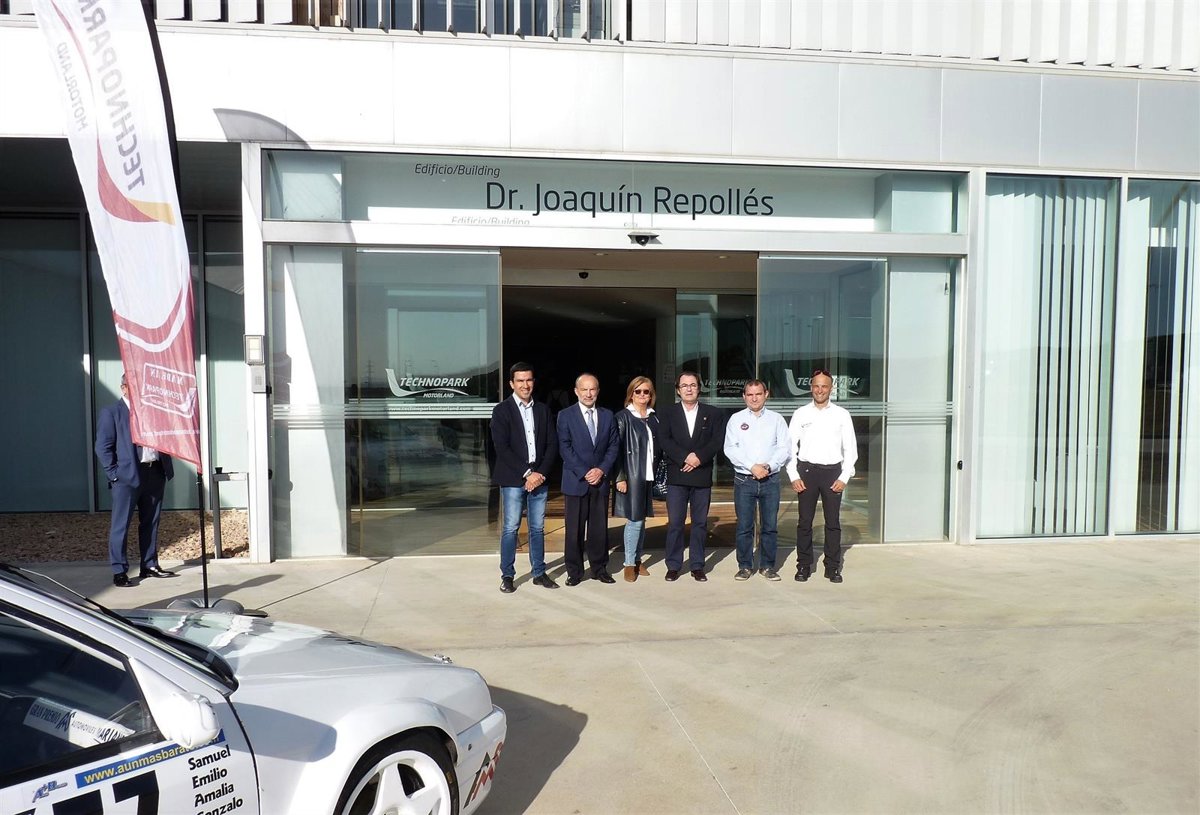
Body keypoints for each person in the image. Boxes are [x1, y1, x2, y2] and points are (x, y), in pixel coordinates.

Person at [94, 373, 177, 587]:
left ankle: (149, 564)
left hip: (154, 471)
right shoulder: (112, 412)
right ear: (123, 388)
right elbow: (103, 447)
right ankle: (119, 571)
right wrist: (114, 474)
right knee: (121, 524)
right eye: (133, 386)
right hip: (127, 476)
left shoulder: (154, 410)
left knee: (151, 522)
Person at [490, 362, 559, 594]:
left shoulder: (543, 410)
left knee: (537, 528)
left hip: (539, 478)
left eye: (528, 380)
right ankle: (507, 576)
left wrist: (540, 473)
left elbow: (552, 444)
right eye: (520, 381)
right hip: (513, 479)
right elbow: (502, 447)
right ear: (512, 383)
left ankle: (539, 572)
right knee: (511, 528)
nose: (525, 385)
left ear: (533, 382)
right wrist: (527, 473)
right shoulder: (502, 411)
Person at [786, 368, 858, 583]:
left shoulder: (842, 414)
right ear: (811, 387)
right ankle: (803, 565)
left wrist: (844, 477)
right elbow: (790, 447)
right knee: (804, 523)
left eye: (824, 386)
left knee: (833, 522)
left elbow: (851, 449)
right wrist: (793, 475)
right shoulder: (801, 413)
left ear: (831, 388)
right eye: (816, 386)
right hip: (807, 472)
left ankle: (832, 567)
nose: (820, 390)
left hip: (832, 473)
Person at [657, 371, 725, 582]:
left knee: (700, 524)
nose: (689, 389)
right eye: (684, 385)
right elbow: (664, 440)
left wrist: (699, 458)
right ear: (678, 390)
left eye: (693, 385)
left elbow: (717, 440)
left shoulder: (712, 413)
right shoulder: (667, 412)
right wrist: (685, 457)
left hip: (701, 474)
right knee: (675, 523)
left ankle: (697, 565)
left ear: (699, 388)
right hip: (677, 475)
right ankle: (673, 565)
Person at [723, 379, 791, 581]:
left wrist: (768, 466)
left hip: (770, 479)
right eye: (750, 395)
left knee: (769, 526)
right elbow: (730, 448)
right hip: (744, 480)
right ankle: (745, 566)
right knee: (744, 526)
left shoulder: (777, 419)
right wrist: (752, 466)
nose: (754, 398)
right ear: (744, 396)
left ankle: (767, 566)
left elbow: (784, 448)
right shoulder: (735, 419)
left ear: (766, 394)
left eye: (758, 394)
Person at [557, 373, 619, 586]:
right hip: (576, 481)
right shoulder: (565, 415)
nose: (589, 393)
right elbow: (565, 447)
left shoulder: (608, 415)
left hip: (600, 481)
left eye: (592, 389)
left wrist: (601, 470)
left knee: (599, 529)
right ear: (576, 391)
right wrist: (585, 472)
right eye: (584, 389)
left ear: (598, 391)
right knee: (574, 531)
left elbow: (614, 446)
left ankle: (599, 569)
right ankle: (574, 572)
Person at [612, 376, 661, 582]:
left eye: (646, 391)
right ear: (631, 394)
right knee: (635, 520)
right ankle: (629, 564)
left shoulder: (653, 417)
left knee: (642, 520)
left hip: (648, 475)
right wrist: (619, 477)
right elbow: (616, 450)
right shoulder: (623, 417)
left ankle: (638, 560)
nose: (642, 395)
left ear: (651, 395)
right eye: (638, 391)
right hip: (631, 476)